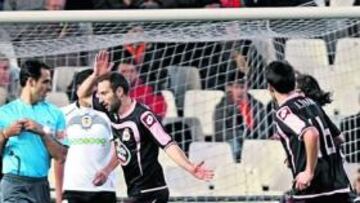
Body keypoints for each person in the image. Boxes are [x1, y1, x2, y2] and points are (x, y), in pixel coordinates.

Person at [77, 50, 214, 203]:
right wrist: (95, 75)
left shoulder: (143, 116)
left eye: (104, 93)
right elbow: (81, 95)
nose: (100, 99)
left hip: (152, 191)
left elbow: (168, 144)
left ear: (120, 92)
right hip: (137, 191)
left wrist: (189, 167)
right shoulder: (111, 110)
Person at [265, 61, 351, 203]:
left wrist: (309, 170)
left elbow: (311, 133)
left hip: (314, 190)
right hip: (339, 184)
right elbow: (339, 138)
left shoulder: (284, 112)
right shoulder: (312, 103)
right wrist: (302, 152)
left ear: (270, 88)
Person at [0, 60, 67, 203]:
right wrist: (5, 134)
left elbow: (61, 156)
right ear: (31, 81)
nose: (49, 87)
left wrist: (43, 133)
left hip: (41, 185)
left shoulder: (56, 114)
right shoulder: (4, 113)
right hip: (14, 184)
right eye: (45, 82)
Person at [56, 69, 119, 203]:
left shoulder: (109, 114)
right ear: (80, 87)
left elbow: (120, 149)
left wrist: (107, 171)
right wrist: (58, 195)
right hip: (73, 189)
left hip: (104, 189)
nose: (98, 91)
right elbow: (59, 158)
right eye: (94, 85)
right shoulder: (63, 114)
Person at [214, 71, 267, 162]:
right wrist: (241, 136)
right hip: (233, 141)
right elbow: (220, 132)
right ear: (231, 88)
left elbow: (264, 130)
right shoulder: (222, 107)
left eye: (242, 87)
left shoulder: (258, 106)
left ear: (247, 87)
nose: (239, 91)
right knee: (235, 146)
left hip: (254, 141)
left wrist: (251, 137)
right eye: (236, 87)